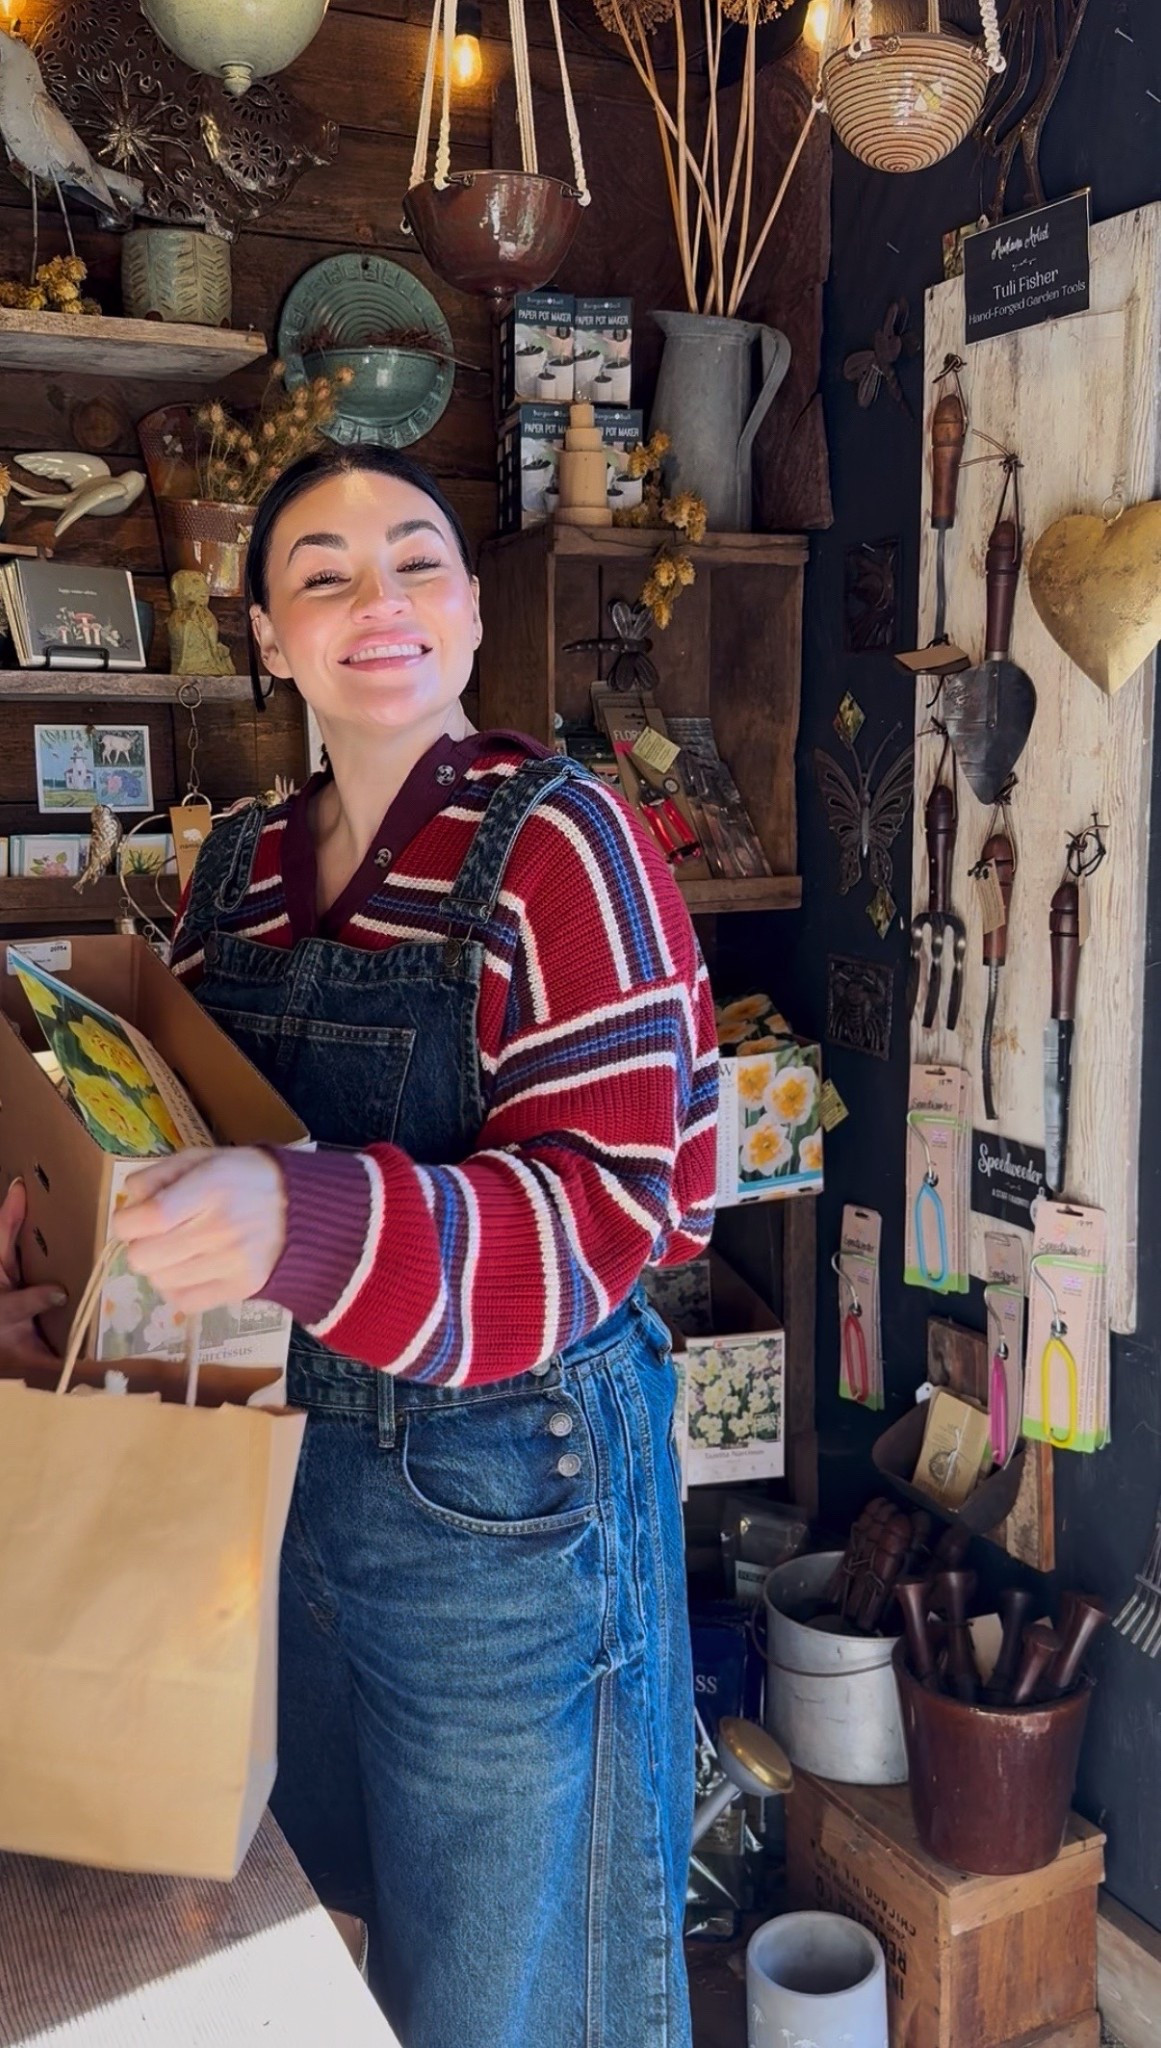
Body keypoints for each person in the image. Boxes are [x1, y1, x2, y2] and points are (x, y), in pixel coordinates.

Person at [0, 445, 717, 2048]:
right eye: (319, 573)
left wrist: (296, 1215)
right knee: (315, 1957)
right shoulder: (235, 876)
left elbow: (604, 1219)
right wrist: (90, 1270)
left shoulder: (565, 844)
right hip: (267, 1490)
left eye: (415, 561)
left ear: (468, 614)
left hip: (498, 1513)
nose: (372, 598)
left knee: (515, 2004)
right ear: (262, 634)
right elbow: (166, 1143)